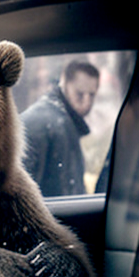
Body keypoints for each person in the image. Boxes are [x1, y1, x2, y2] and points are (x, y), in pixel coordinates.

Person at [22, 60, 100, 197]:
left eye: (92, 95)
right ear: (64, 84)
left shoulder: (57, 120)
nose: (86, 103)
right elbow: (69, 196)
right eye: (80, 94)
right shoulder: (58, 125)